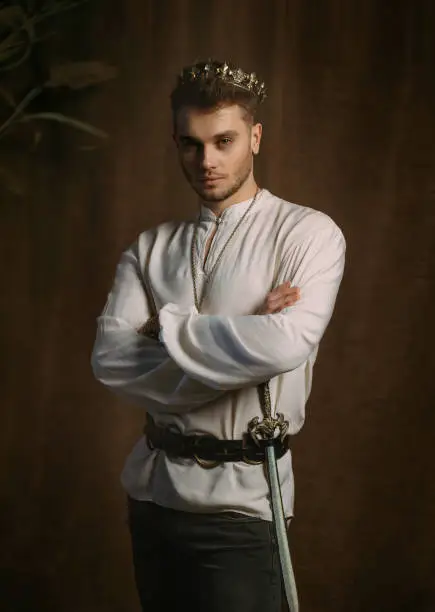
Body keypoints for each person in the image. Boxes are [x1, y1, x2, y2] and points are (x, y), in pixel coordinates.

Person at [91, 59, 346, 612]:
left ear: (254, 137)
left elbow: (284, 345)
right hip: (153, 497)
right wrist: (244, 337)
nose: (206, 160)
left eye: (224, 140)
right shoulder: (149, 247)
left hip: (244, 505)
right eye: (190, 143)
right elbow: (111, 361)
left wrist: (168, 327)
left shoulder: (307, 233)